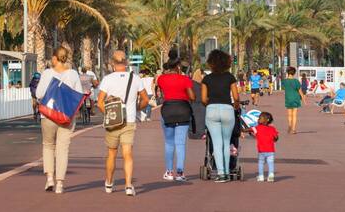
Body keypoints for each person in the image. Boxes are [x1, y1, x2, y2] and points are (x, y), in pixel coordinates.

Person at [98, 50, 149, 195]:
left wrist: (109, 114)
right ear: (126, 63)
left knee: (111, 153)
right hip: (129, 120)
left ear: (113, 63)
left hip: (113, 121)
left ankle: (109, 184)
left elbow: (100, 102)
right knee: (128, 153)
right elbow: (145, 100)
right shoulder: (136, 79)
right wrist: (136, 108)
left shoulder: (107, 79)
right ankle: (128, 186)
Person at [35, 46, 83, 194]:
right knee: (63, 149)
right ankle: (60, 184)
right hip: (66, 117)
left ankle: (49, 178)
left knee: (48, 145)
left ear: (54, 59)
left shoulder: (47, 73)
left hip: (48, 115)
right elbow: (79, 95)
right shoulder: (73, 74)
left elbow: (39, 94)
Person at [201, 50, 240, 182]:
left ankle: (221, 173)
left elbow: (203, 99)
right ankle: (228, 172)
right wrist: (235, 106)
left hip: (211, 110)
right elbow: (236, 97)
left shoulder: (206, 79)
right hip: (227, 110)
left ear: (211, 63)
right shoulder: (230, 77)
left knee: (217, 143)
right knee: (226, 142)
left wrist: (210, 103)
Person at [156, 52, 195, 181]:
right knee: (180, 143)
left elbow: (161, 91)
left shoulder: (161, 78)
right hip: (183, 110)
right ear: (178, 66)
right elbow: (192, 97)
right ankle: (180, 173)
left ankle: (169, 172)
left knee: (169, 142)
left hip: (168, 110)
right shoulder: (185, 79)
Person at [250, 112, 279, 182]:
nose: (258, 119)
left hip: (261, 150)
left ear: (267, 120)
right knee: (270, 163)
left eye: (260, 118)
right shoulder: (272, 128)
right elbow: (276, 138)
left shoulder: (257, 128)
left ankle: (261, 176)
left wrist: (243, 130)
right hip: (271, 150)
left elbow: (249, 130)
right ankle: (271, 175)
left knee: (261, 163)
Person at [282, 67, 302, 134]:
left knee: (289, 115)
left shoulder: (284, 81)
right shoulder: (296, 81)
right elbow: (300, 91)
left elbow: (284, 88)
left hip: (288, 99)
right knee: (295, 115)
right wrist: (304, 98)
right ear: (294, 73)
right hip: (296, 98)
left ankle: (290, 126)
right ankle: (293, 129)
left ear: (287, 72)